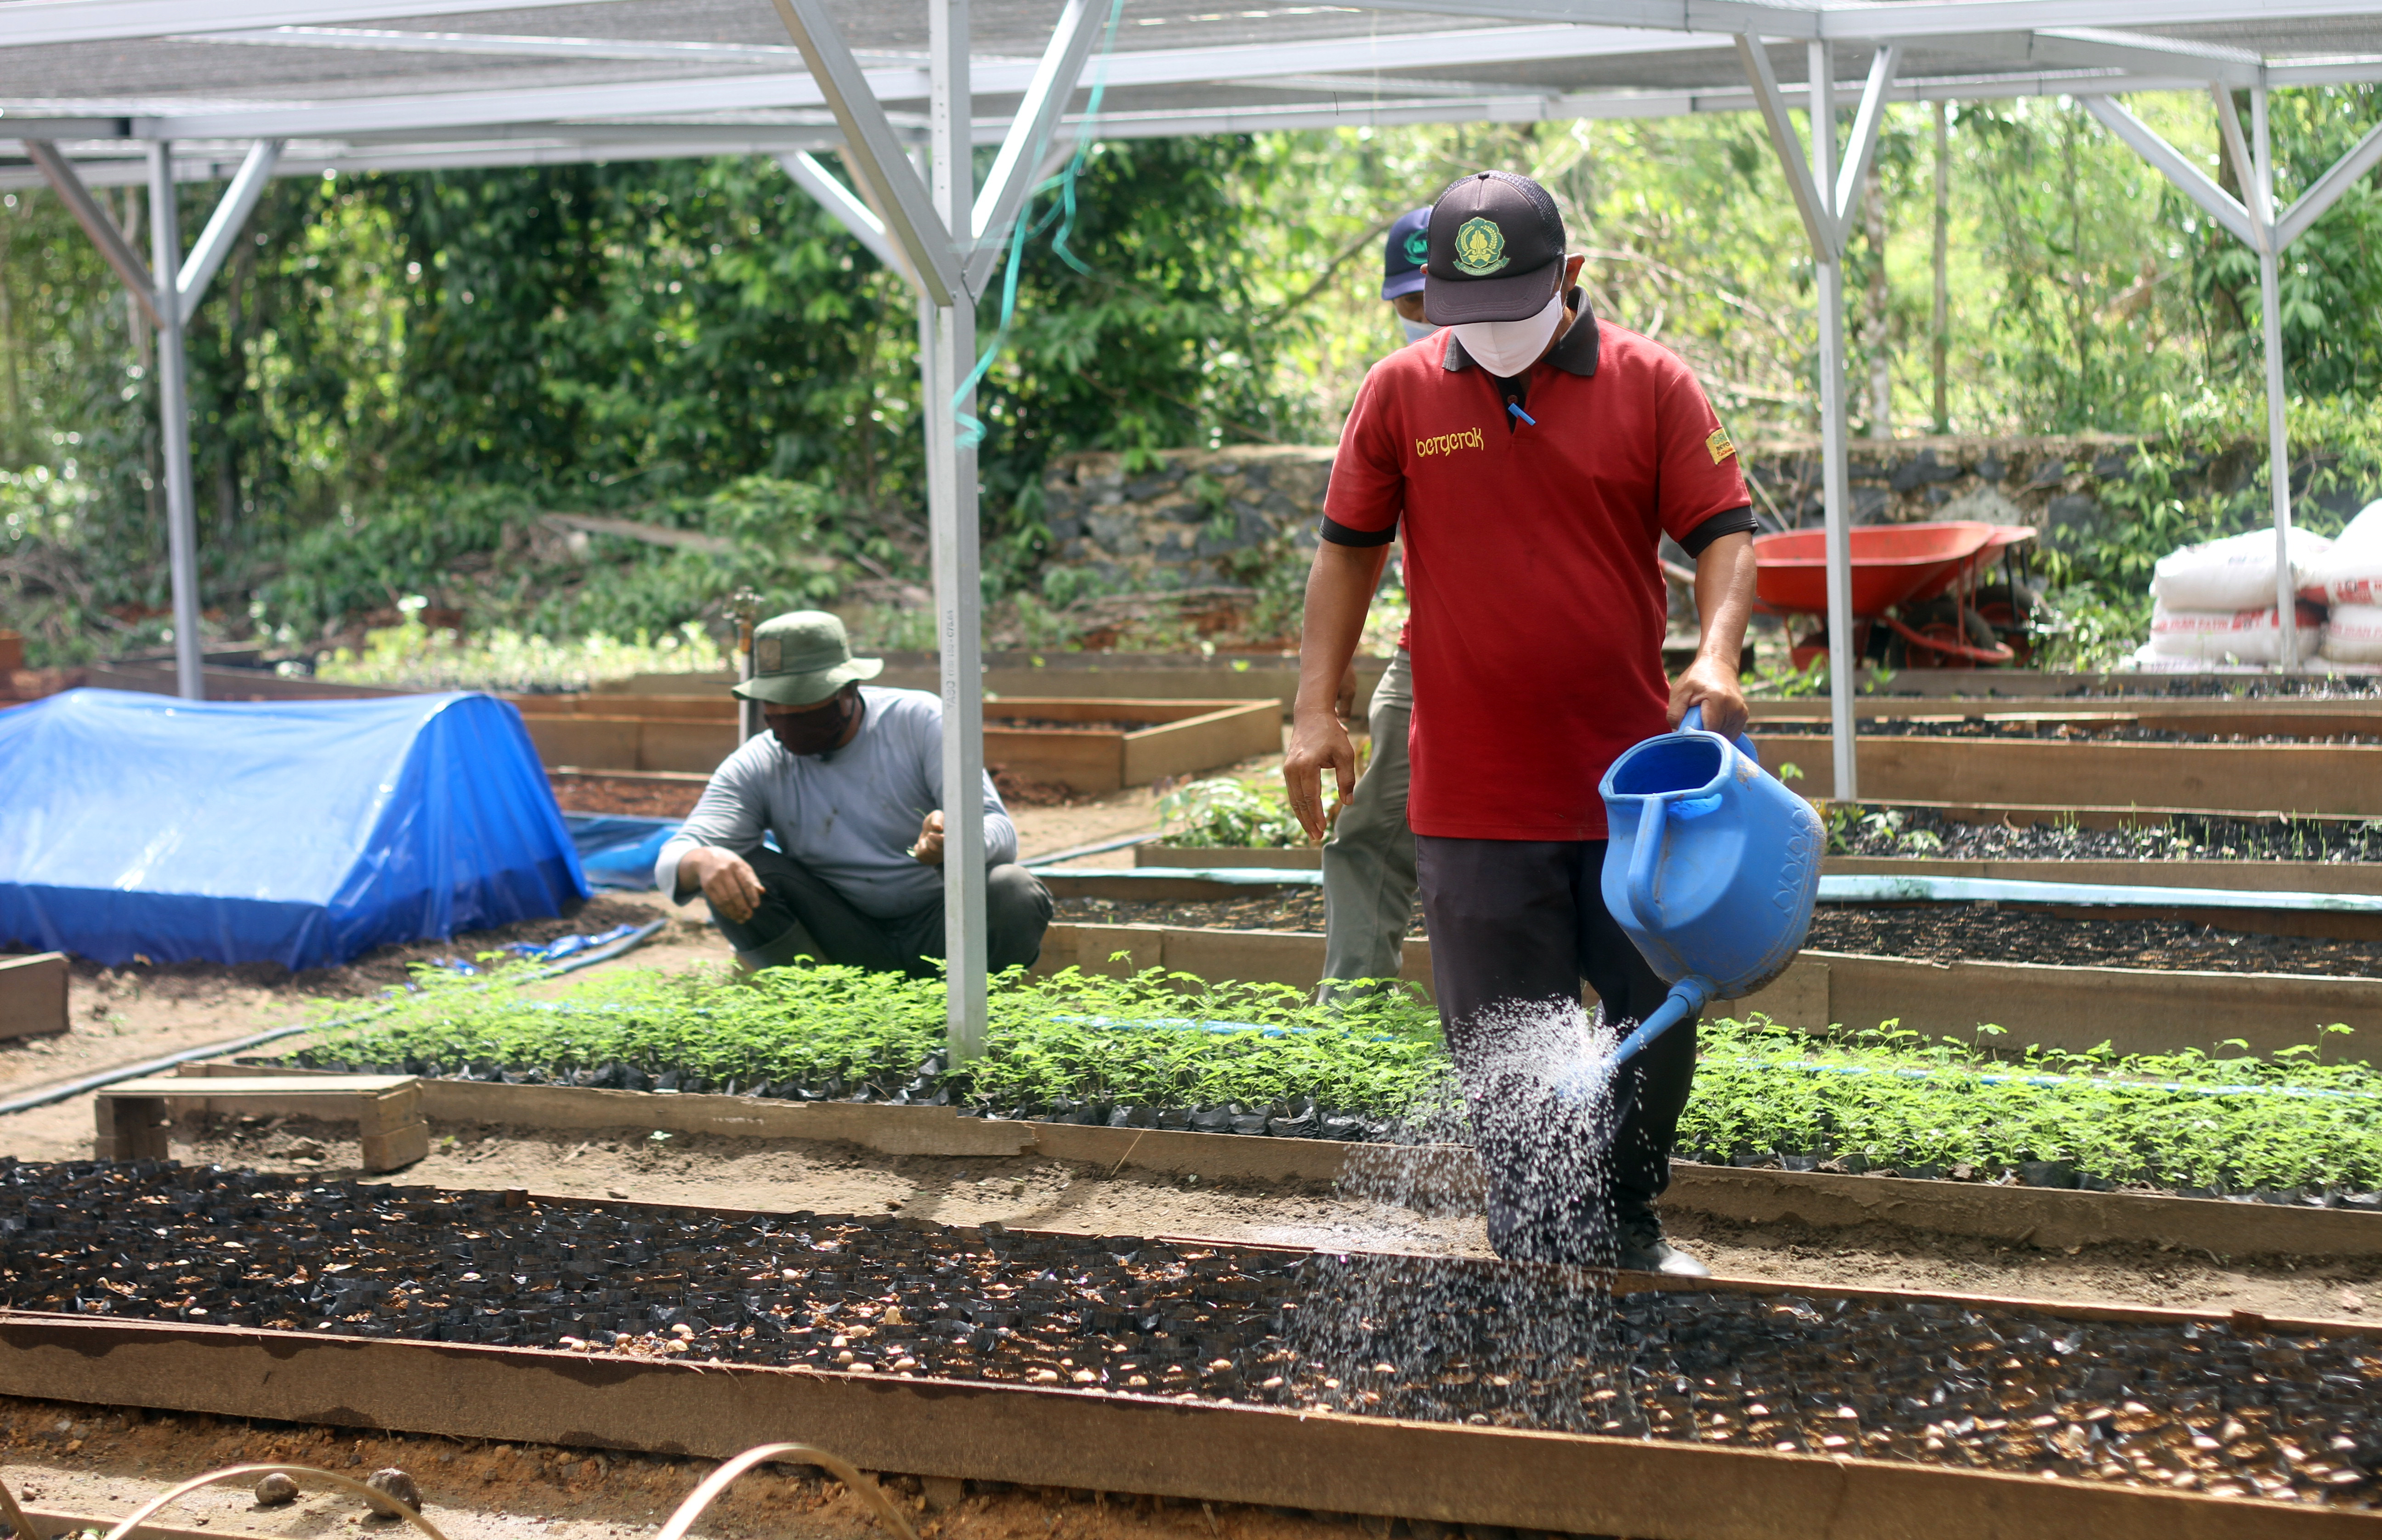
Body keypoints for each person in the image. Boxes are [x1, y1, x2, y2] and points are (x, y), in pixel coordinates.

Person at [1284, 171, 1758, 1277]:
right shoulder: (1397, 395)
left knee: (1654, 1012)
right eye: (1466, 314)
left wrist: (1719, 649)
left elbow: (1725, 532)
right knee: (1502, 1043)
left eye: (1514, 309)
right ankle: (1536, 1243)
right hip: (1474, 790)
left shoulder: (1652, 385)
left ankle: (1627, 1206)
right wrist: (1314, 707)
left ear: (1571, 278)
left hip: (1629, 789)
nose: (1489, 336)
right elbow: (1345, 551)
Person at [656, 610, 1053, 977]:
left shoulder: (918, 722)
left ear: (849, 689)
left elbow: (999, 828)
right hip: (843, 940)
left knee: (1012, 890)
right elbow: (675, 856)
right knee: (738, 870)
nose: (790, 718)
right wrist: (703, 860)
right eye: (777, 707)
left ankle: (966, 1022)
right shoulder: (760, 762)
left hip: (944, 926)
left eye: (805, 702)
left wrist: (959, 840)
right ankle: (825, 1018)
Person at [1318, 207, 1434, 992]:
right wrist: (1319, 685)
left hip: (1558, 673)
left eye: (1434, 302)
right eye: (1408, 308)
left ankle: (1607, 1039)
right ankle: (1349, 1012)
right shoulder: (1397, 394)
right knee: (1367, 832)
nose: (1421, 323)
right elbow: (1352, 546)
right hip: (1425, 656)